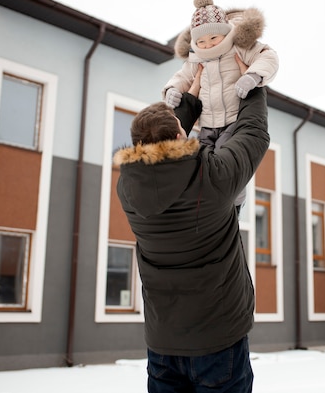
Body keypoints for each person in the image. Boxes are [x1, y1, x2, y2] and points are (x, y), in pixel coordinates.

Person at [113, 58, 270, 392]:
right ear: (181, 134)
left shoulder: (127, 189)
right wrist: (250, 84)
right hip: (219, 342)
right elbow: (253, 133)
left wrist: (188, 104)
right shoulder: (214, 176)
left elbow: (161, 148)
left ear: (138, 144)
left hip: (162, 345)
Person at [162, 0, 278, 209]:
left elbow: (268, 57)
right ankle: (202, 203)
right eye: (202, 41)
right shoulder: (195, 58)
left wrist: (253, 76)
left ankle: (235, 197)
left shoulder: (240, 48)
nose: (208, 44)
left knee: (226, 160)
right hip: (207, 124)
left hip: (233, 120)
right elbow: (183, 77)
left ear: (225, 33)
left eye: (214, 38)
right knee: (201, 161)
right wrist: (172, 90)